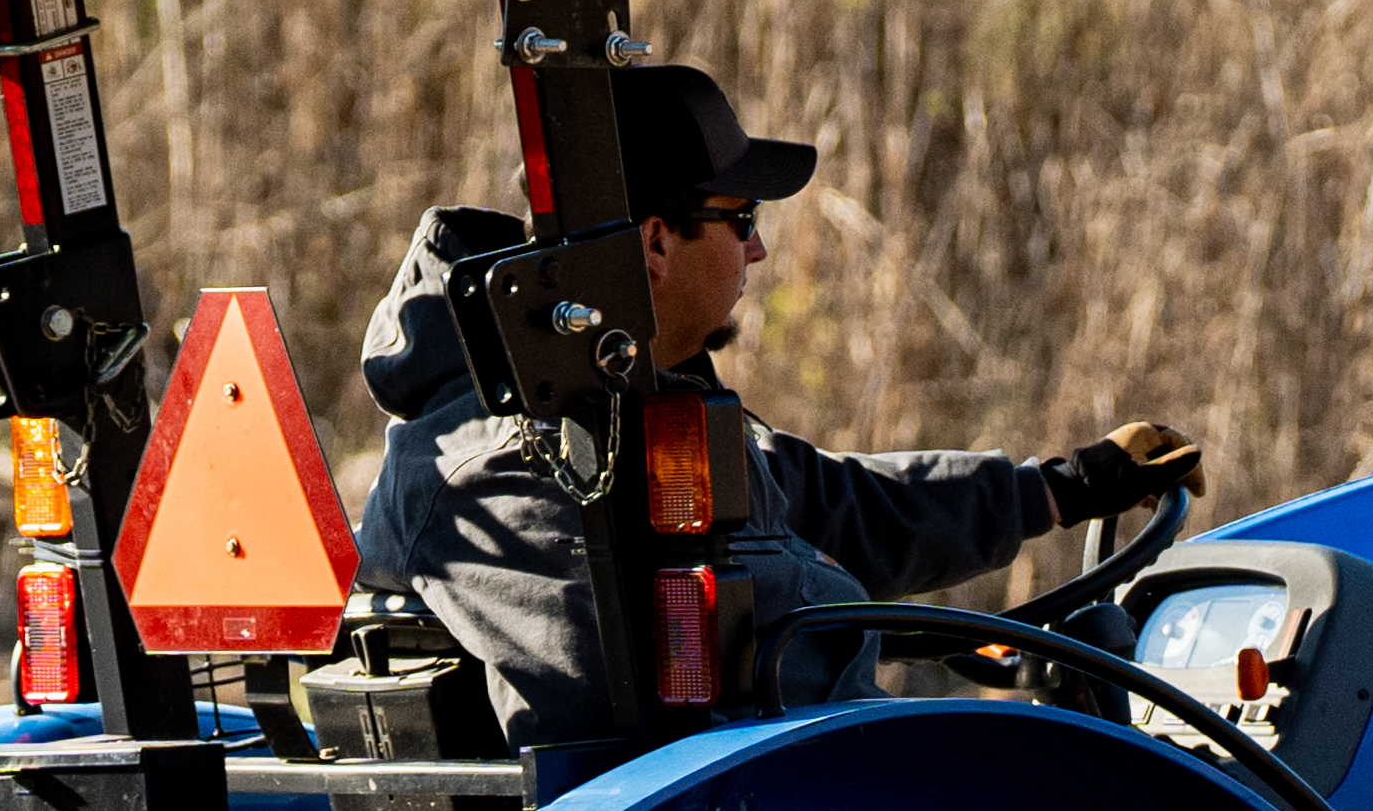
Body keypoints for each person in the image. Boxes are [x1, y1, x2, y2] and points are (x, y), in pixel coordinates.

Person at [345, 64, 1197, 752]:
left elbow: (832, 505)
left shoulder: (622, 417)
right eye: (739, 217)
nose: (758, 245)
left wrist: (1059, 487)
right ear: (653, 244)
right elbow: (699, 708)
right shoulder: (529, 469)